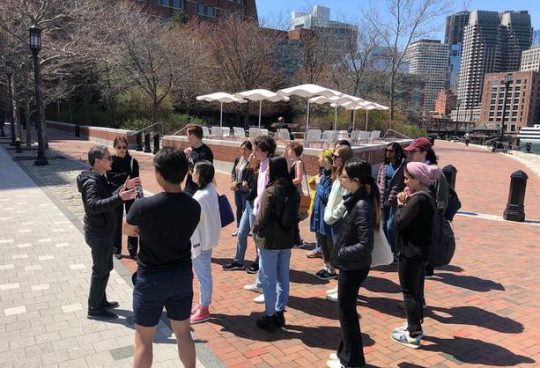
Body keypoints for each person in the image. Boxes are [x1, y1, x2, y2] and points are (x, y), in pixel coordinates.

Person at [124, 147, 200, 368]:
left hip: (151, 277)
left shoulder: (143, 206)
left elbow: (127, 229)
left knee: (144, 340)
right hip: (180, 275)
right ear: (185, 173)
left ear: (158, 174)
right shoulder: (193, 206)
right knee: (183, 333)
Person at [327, 160, 380, 368]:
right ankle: (346, 354)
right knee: (346, 312)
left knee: (347, 313)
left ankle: (352, 361)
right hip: (352, 266)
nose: (341, 179)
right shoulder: (357, 200)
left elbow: (366, 245)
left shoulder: (362, 205)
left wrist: (341, 252)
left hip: (354, 267)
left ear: (356, 181)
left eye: (344, 176)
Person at [77, 145, 139, 319]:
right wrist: (120, 198)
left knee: (106, 267)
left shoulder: (98, 177)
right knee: (100, 270)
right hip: (98, 234)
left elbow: (106, 196)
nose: (111, 160)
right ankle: (94, 309)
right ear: (97, 161)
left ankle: (100, 300)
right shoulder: (91, 182)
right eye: (108, 158)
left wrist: (122, 188)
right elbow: (93, 205)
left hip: (103, 232)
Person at [391, 162, 439, 349]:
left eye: (407, 178)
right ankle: (415, 322)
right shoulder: (427, 195)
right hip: (421, 251)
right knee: (416, 290)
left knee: (409, 292)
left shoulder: (418, 199)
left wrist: (400, 205)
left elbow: (400, 222)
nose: (405, 181)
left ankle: (414, 332)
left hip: (410, 252)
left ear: (418, 179)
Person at [253, 157, 298, 331]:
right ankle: (279, 312)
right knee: (283, 277)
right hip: (286, 240)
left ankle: (270, 315)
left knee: (268, 280)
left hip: (270, 241)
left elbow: (262, 218)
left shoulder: (271, 191)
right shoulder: (292, 190)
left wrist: (255, 230)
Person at [405, 137, 448, 284]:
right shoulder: (412, 169)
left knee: (418, 269)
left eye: (413, 152)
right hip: (412, 221)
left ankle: (418, 301)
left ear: (424, 152)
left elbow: (442, 199)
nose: (409, 155)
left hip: (425, 225)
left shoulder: (435, 173)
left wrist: (437, 218)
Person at [243, 135, 277, 304]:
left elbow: (268, 193)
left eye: (256, 149)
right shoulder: (262, 165)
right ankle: (259, 282)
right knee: (259, 250)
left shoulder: (270, 167)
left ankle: (267, 288)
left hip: (264, 214)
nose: (253, 152)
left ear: (265, 151)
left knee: (264, 253)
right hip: (258, 209)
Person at [189, 161, 221, 324]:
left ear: (200, 174)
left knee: (203, 276)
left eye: (194, 171)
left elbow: (193, 224)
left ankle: (204, 308)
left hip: (200, 242)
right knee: (204, 275)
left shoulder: (200, 197)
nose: (192, 173)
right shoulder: (210, 190)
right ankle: (203, 304)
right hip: (206, 239)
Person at [324, 144, 354, 302]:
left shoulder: (347, 175)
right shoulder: (338, 173)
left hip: (340, 221)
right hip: (333, 220)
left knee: (341, 257)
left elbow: (345, 201)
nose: (333, 159)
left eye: (336, 157)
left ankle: (343, 290)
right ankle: (340, 287)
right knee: (337, 255)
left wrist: (333, 215)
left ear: (344, 159)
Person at [223, 153, 259, 272]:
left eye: (254, 154)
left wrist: (239, 189)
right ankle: (238, 261)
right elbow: (244, 186)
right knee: (241, 233)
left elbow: (252, 192)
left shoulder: (259, 173)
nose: (251, 155)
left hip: (255, 206)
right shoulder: (248, 170)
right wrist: (242, 187)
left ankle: (259, 261)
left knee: (256, 236)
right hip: (248, 205)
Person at [107, 136, 141, 259]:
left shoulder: (132, 161)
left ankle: (133, 251)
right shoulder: (110, 161)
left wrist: (124, 180)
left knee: (132, 221)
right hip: (116, 194)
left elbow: (135, 179)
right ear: (114, 147)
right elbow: (110, 176)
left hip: (131, 194)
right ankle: (116, 249)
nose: (122, 149)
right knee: (116, 221)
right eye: (119, 147)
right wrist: (126, 178)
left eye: (124, 147)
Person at [310, 149, 336, 280]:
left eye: (320, 157)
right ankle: (326, 266)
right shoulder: (323, 173)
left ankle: (331, 268)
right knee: (321, 240)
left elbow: (327, 195)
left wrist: (319, 184)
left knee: (328, 241)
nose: (318, 159)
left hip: (325, 214)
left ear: (326, 160)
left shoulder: (332, 176)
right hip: (319, 212)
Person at [376, 142, 406, 258]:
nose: (388, 152)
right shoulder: (384, 165)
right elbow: (379, 181)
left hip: (395, 201)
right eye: (386, 150)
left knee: (390, 226)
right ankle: (386, 251)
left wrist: (401, 195)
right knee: (383, 226)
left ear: (397, 153)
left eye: (391, 151)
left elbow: (405, 183)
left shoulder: (403, 167)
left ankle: (394, 251)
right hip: (383, 199)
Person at [285, 141, 306, 248]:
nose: (288, 151)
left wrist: (286, 182)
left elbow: (298, 179)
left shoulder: (298, 163)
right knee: (293, 217)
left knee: (294, 217)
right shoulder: (294, 162)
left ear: (294, 150)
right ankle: (295, 240)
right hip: (292, 192)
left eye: (289, 149)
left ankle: (297, 241)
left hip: (295, 193)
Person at [183, 124, 214, 196]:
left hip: (198, 192)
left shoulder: (206, 153)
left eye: (187, 135)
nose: (186, 138)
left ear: (193, 136)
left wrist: (186, 160)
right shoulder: (191, 149)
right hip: (188, 188)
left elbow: (200, 175)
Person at [230, 141, 253, 236]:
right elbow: (233, 172)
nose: (243, 151)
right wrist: (233, 182)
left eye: (245, 149)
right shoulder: (238, 159)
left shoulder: (251, 162)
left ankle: (246, 228)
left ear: (250, 150)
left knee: (245, 209)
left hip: (245, 190)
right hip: (237, 189)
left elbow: (249, 177)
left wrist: (238, 184)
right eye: (242, 149)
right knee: (238, 208)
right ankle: (239, 227)